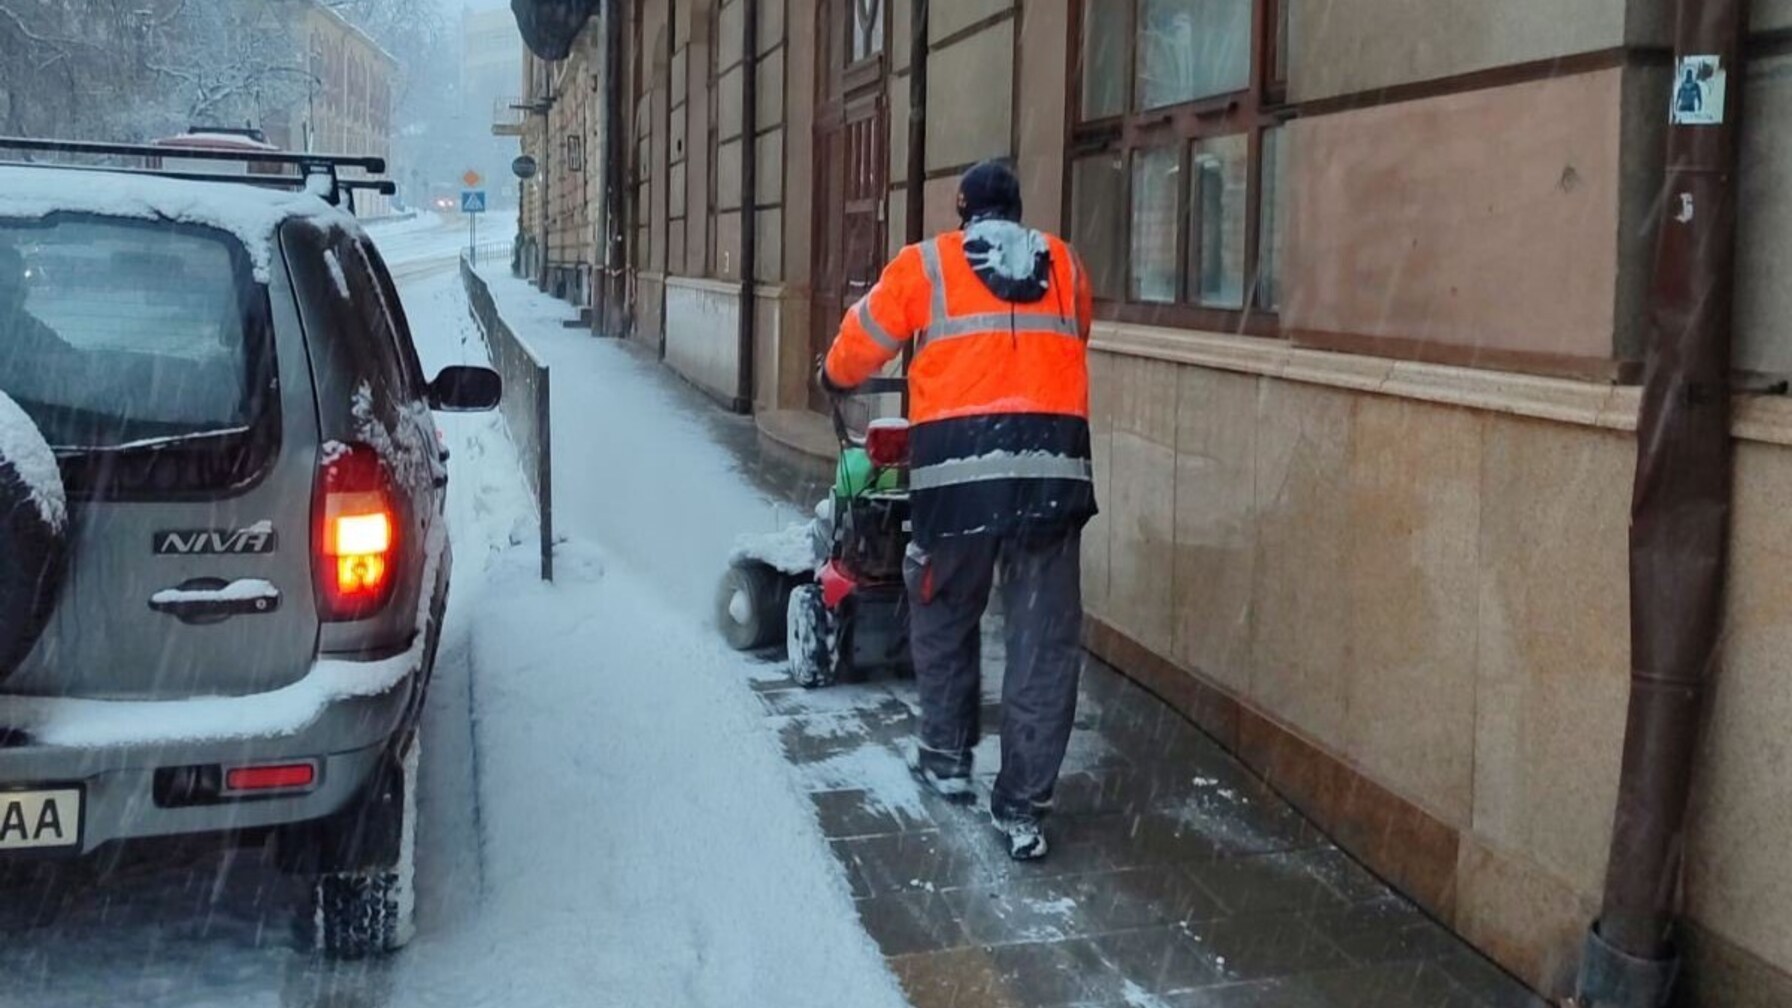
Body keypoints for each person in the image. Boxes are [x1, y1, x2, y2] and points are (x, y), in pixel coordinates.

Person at [819, 160, 1096, 860]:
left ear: (963, 210)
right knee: (1043, 644)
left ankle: (945, 754)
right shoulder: (1064, 262)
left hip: (960, 479)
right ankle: (1025, 803)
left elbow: (861, 343)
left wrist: (833, 373)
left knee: (943, 612)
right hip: (1052, 477)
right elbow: (1076, 332)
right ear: (1018, 209)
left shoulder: (927, 265)